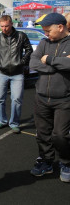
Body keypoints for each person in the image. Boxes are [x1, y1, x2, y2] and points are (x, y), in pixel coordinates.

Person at [29, 13, 70, 182]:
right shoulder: (44, 43)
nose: (45, 34)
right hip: (41, 97)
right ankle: (46, 160)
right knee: (42, 133)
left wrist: (50, 59)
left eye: (48, 30)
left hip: (64, 99)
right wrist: (57, 66)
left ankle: (66, 162)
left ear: (60, 27)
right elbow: (33, 62)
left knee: (60, 135)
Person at [0, 15, 33, 134]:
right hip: (1, 73)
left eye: (6, 26)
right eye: (2, 26)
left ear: (11, 24)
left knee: (17, 99)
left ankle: (14, 123)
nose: (4, 28)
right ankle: (2, 120)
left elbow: (29, 50)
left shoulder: (21, 36)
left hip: (17, 73)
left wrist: (22, 63)